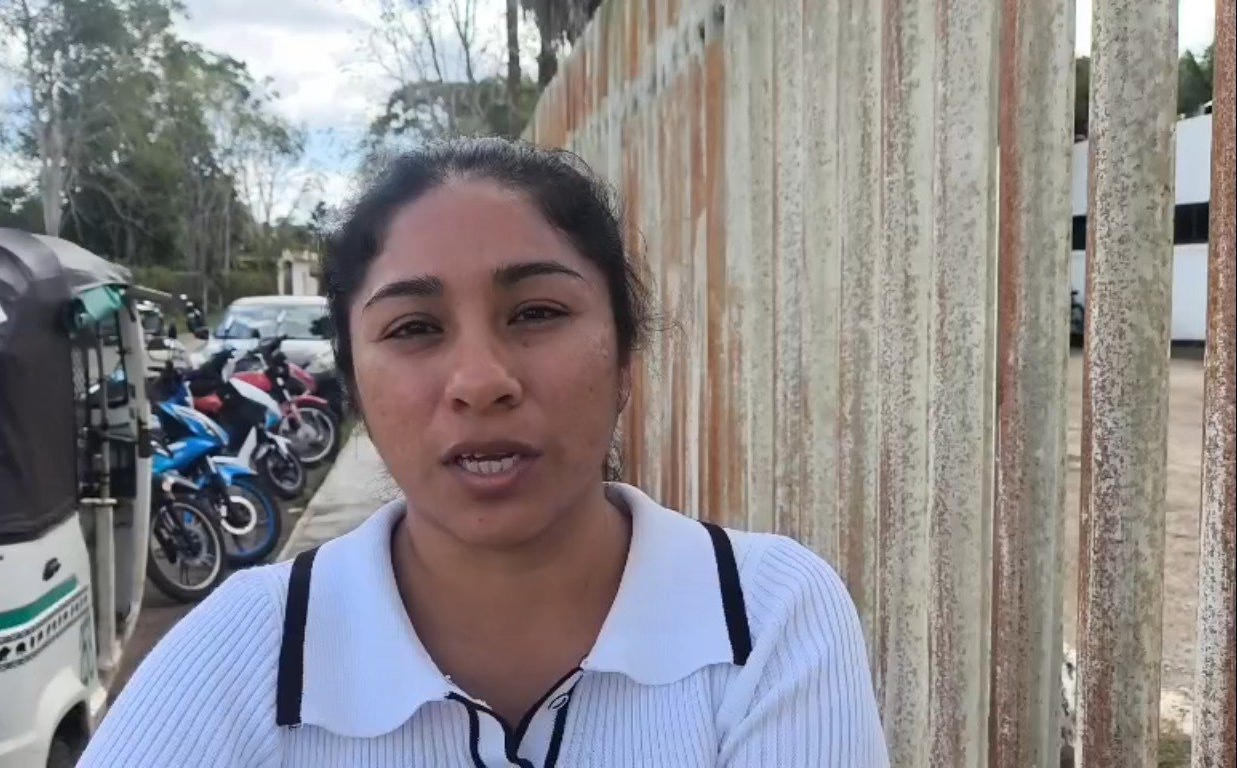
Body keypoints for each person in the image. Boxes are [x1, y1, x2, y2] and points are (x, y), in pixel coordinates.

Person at [80, 138, 889, 767]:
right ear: (356, 385)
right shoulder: (243, 650)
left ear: (625, 360)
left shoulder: (767, 618)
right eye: (415, 329)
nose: (480, 381)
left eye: (536, 313)